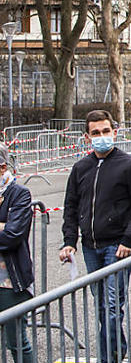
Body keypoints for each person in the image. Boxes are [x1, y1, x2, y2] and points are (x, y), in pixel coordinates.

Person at [61, 110, 131, 363]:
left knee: (113, 306)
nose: (101, 136)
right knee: (102, 305)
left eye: (105, 131)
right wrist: (69, 241)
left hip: (117, 246)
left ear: (114, 132)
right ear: (87, 137)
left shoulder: (129, 165)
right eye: (96, 133)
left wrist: (128, 240)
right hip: (91, 246)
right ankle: (116, 347)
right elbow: (71, 206)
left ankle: (109, 357)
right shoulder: (81, 168)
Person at [0, 144, 36, 362]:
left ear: (2, 167)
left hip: (11, 283)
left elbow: (13, 236)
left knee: (17, 342)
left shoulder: (19, 194)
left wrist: (6, 228)